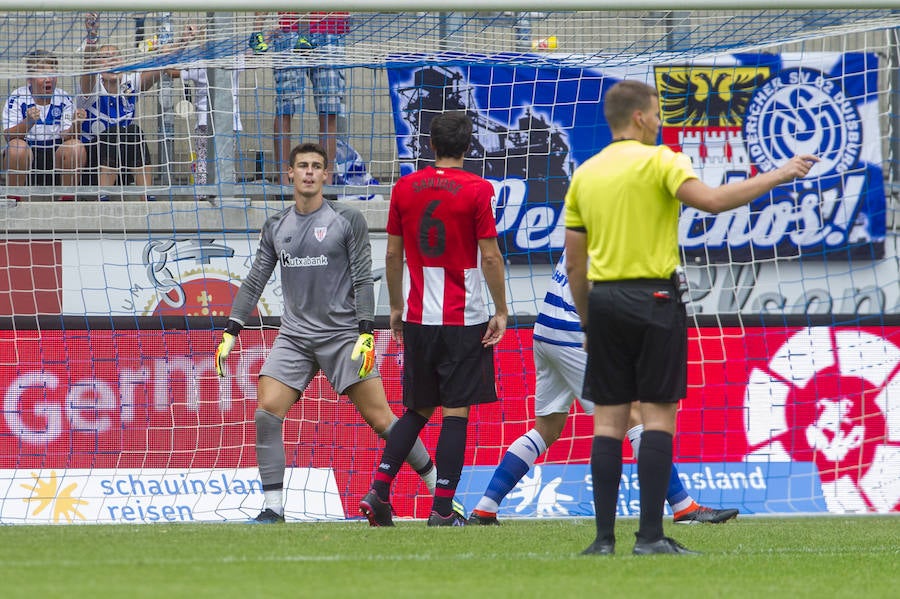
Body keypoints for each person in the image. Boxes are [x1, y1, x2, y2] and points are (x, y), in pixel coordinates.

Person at [564, 80, 816, 555]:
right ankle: (650, 538)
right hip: (655, 298)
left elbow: (575, 262)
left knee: (608, 423)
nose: (660, 120)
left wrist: (587, 322)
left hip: (605, 304)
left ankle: (601, 542)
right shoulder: (662, 159)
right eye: (657, 112)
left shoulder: (586, 173)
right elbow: (715, 201)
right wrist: (780, 175)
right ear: (639, 116)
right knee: (658, 417)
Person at [214, 142, 437, 523]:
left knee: (383, 421)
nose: (309, 172)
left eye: (317, 166)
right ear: (290, 174)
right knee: (267, 411)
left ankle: (441, 492)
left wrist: (366, 330)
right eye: (302, 166)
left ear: (326, 175)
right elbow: (254, 280)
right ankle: (273, 509)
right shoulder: (276, 227)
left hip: (343, 337)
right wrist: (232, 329)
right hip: (295, 337)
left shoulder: (347, 220)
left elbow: (364, 280)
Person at [469, 249, 740, 525]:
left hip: (547, 329)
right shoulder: (621, 233)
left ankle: (485, 508)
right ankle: (684, 508)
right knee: (634, 414)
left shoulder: (594, 216)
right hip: (574, 331)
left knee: (547, 428)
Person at [359, 111, 509, 527]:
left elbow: (391, 254)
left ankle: (379, 489)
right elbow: (491, 256)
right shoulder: (478, 189)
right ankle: (442, 507)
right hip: (464, 317)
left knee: (417, 409)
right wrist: (500, 309)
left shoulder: (405, 188)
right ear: (468, 146)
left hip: (419, 314)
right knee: (455, 412)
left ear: (430, 145)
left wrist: (394, 307)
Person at [249, 12, 349, 185]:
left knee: (329, 109)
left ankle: (327, 182)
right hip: (292, 27)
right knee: (285, 106)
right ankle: (284, 182)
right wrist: (258, 25)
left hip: (331, 26)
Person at [79, 12, 164, 201]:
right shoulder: (91, 87)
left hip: (123, 164)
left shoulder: (129, 83)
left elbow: (160, 68)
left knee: (134, 131)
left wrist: (179, 44)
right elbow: (88, 68)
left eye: (115, 57)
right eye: (104, 58)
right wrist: (92, 38)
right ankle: (103, 195)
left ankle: (146, 197)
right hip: (91, 168)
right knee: (113, 131)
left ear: (123, 63)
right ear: (97, 66)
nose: (110, 61)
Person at [2, 50, 86, 201]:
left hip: (55, 157)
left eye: (52, 74)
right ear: (30, 78)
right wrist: (28, 122)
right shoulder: (17, 97)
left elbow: (69, 136)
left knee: (76, 146)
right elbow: (8, 136)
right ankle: (14, 198)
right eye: (42, 75)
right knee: (16, 147)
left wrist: (76, 124)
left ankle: (67, 199)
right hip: (28, 156)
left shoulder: (64, 98)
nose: (48, 79)